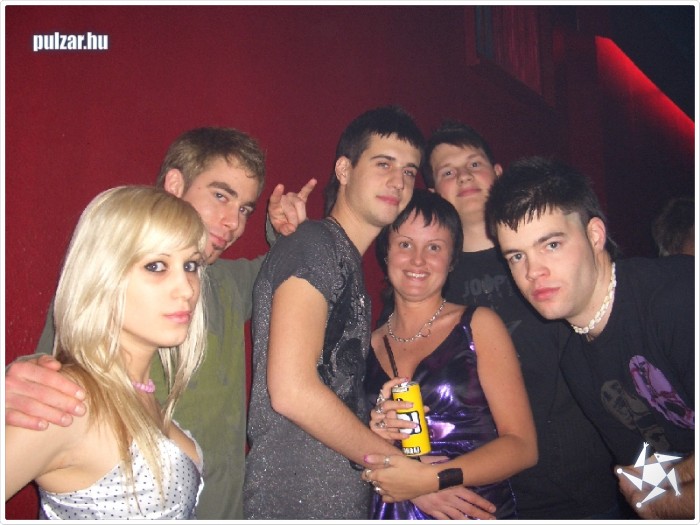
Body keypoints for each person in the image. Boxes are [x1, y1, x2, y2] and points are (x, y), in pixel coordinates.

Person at [4, 127, 316, 520]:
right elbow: (54, 376)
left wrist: (284, 235)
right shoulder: (111, 280)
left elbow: (280, 277)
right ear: (174, 184)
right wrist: (22, 380)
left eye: (245, 210)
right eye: (221, 196)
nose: (233, 223)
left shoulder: (225, 283)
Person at [244, 106, 498, 520]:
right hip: (297, 502)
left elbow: (325, 391)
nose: (399, 181)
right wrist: (412, 476)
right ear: (344, 170)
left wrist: (370, 419)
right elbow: (291, 391)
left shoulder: (345, 265)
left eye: (410, 171)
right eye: (384, 164)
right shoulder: (316, 245)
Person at [421, 120, 625, 519]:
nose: (464, 176)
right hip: (488, 490)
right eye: (448, 172)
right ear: (434, 193)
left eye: (474, 164)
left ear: (498, 173)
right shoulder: (431, 279)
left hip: (587, 477)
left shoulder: (555, 257)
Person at [484, 155, 695, 519]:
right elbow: (643, 479)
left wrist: (668, 497)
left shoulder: (679, 296)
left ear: (594, 235)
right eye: (517, 256)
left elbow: (653, 496)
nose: (533, 271)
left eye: (551, 245)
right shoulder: (576, 361)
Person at [5, 186, 208, 518]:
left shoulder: (138, 394)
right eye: (156, 266)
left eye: (191, 265)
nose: (186, 288)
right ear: (102, 274)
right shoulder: (70, 403)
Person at [362, 189, 537, 519]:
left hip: (473, 511)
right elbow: (356, 456)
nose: (418, 260)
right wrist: (378, 440)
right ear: (385, 252)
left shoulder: (478, 325)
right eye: (405, 244)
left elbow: (523, 447)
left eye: (434, 247)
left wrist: (430, 481)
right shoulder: (367, 345)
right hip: (392, 511)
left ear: (452, 258)